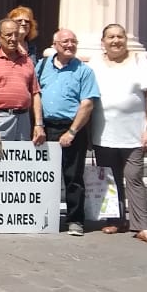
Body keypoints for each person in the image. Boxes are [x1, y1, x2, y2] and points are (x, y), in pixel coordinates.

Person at [89, 23, 147, 246]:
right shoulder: (94, 63)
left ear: (125, 39)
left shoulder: (139, 61)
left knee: (134, 178)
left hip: (134, 135)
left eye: (120, 36)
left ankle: (143, 227)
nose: (116, 41)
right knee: (110, 179)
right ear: (103, 42)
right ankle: (116, 220)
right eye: (110, 37)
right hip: (103, 133)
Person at [37, 29, 100, 236]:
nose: (70, 45)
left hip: (72, 128)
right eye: (65, 41)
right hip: (46, 127)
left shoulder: (84, 71)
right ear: (55, 44)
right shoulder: (42, 66)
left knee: (73, 177)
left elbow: (87, 104)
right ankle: (45, 217)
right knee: (45, 176)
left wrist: (72, 132)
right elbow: (35, 94)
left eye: (73, 41)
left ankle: (75, 220)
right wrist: (37, 125)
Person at [0, 18, 47, 148]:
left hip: (23, 119)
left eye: (16, 34)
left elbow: (35, 93)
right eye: (8, 35)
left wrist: (38, 124)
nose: (13, 39)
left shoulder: (27, 61)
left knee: (21, 159)